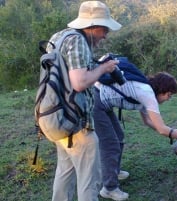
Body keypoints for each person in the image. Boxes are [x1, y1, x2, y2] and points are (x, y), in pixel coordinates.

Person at [46, 1, 121, 201]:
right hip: (77, 126)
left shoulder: (59, 36)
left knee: (64, 172)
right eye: (104, 29)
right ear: (93, 25)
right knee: (89, 182)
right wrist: (104, 68)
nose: (105, 35)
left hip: (58, 118)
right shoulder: (78, 41)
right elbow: (79, 83)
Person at [93, 71, 177, 200]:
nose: (169, 98)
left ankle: (113, 172)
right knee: (111, 145)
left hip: (102, 100)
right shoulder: (147, 94)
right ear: (162, 90)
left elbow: (148, 121)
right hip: (96, 101)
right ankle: (109, 188)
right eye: (169, 95)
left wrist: (173, 131)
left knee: (119, 137)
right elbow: (162, 129)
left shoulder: (146, 91)